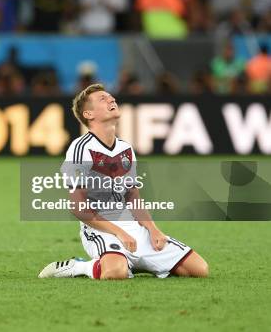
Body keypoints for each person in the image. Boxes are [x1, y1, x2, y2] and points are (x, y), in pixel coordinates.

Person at [38, 83, 209, 280]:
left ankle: (132, 262)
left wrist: (153, 230)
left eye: (111, 97)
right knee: (114, 273)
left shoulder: (125, 148)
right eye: (103, 99)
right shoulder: (80, 148)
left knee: (199, 270)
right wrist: (119, 232)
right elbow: (79, 208)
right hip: (101, 230)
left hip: (133, 227)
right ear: (88, 114)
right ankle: (80, 267)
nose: (111, 100)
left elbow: (133, 196)